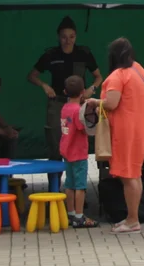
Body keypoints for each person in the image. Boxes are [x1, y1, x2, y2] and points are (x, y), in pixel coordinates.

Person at [27, 16, 102, 161]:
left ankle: (76, 179)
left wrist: (91, 89)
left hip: (79, 103)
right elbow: (32, 76)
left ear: (76, 36)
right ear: (58, 37)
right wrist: (44, 85)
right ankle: (54, 180)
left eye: (71, 37)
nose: (68, 41)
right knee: (55, 140)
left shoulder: (84, 54)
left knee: (78, 140)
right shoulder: (51, 55)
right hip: (57, 103)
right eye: (64, 37)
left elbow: (98, 77)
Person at [101, 37, 144, 234]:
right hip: (142, 127)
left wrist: (93, 102)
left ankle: (133, 220)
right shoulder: (139, 70)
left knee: (127, 175)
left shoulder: (118, 75)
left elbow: (111, 103)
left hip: (126, 130)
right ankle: (132, 217)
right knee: (134, 173)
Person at [59, 75, 99, 228]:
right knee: (80, 186)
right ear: (83, 91)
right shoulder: (78, 110)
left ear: (64, 91)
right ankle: (79, 216)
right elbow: (83, 128)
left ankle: (70, 213)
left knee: (69, 184)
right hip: (78, 153)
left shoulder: (65, 108)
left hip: (67, 151)